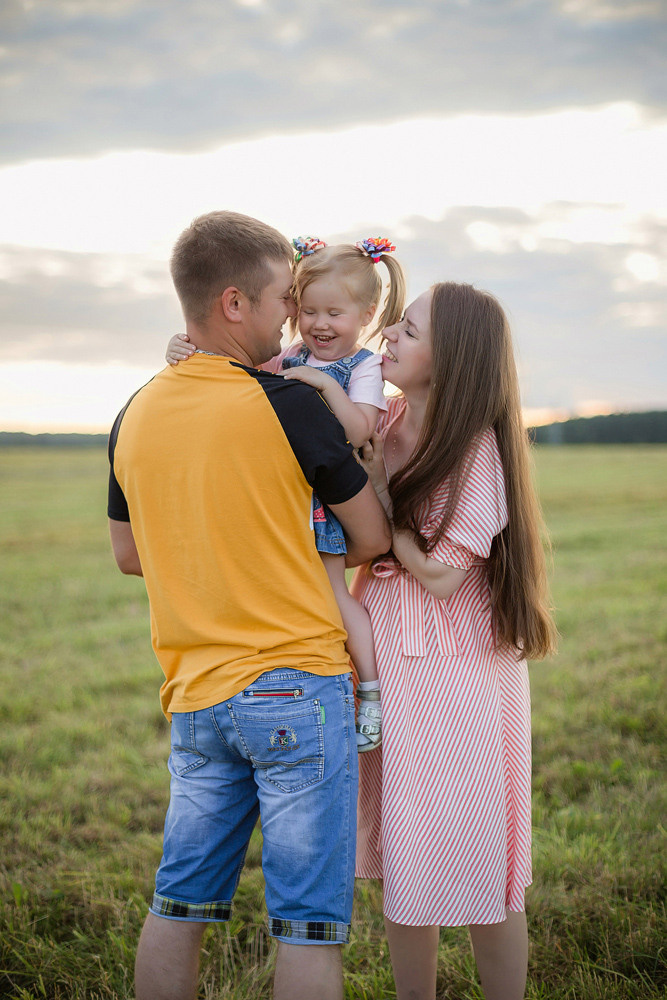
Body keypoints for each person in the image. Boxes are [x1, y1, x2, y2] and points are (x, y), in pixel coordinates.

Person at [107, 210, 391, 1000]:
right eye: (280, 299)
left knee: (177, 905)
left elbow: (130, 554)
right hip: (297, 684)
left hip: (196, 694)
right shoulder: (291, 404)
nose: (291, 316)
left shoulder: (134, 410)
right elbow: (369, 538)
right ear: (234, 303)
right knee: (306, 928)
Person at [352, 282, 557, 1000]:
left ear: (452, 360)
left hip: (457, 669)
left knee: (476, 849)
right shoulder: (382, 418)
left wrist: (382, 502)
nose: (388, 335)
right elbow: (306, 374)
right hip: (388, 656)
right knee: (405, 852)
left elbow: (441, 575)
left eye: (408, 331)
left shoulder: (475, 451)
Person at [167, 235, 406, 753]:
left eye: (334, 313)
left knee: (334, 593)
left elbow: (361, 429)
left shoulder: (363, 366)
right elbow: (242, 383)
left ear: (366, 315)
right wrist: (182, 351)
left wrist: (324, 385)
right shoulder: (292, 353)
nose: (319, 324)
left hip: (329, 499)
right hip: (285, 495)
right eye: (308, 310)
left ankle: (369, 691)